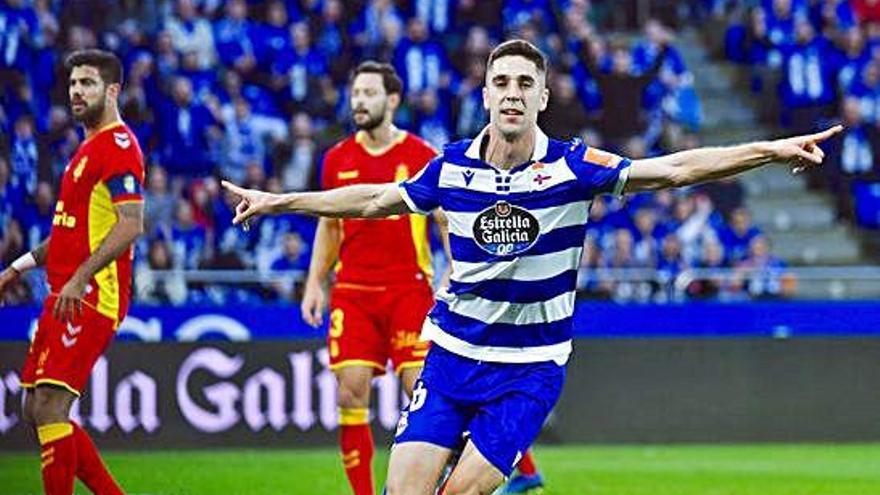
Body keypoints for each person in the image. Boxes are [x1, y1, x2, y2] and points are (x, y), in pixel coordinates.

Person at [222, 39, 841, 495]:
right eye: (502, 82)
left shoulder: (575, 166)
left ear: (542, 96)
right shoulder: (452, 166)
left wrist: (767, 150)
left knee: (458, 494)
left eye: (525, 83)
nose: (513, 93)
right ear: (485, 93)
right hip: (452, 358)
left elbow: (674, 169)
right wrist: (282, 201)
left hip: (527, 372)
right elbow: (375, 199)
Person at [0, 49, 145, 495]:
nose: (77, 91)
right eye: (73, 83)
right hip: (64, 291)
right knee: (34, 407)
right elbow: (66, 235)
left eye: (88, 83)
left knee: (49, 405)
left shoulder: (118, 146)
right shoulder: (85, 150)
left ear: (112, 90)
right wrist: (17, 267)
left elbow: (131, 224)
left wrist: (82, 277)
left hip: (92, 293)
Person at [298, 61, 445, 495]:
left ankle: (431, 484)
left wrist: (454, 272)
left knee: (418, 391)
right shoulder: (337, 158)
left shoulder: (420, 155)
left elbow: (444, 218)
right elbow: (328, 225)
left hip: (409, 289)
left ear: (392, 100)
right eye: (355, 93)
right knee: (350, 390)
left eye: (368, 93)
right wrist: (313, 283)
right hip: (354, 291)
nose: (359, 101)